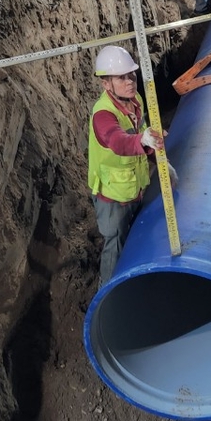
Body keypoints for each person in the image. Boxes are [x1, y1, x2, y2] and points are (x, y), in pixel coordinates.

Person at [87, 45, 163, 283]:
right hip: (113, 196)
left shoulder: (135, 100)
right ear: (106, 84)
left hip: (134, 188)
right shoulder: (103, 114)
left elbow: (142, 138)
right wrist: (143, 139)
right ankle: (106, 293)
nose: (130, 81)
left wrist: (160, 161)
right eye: (122, 77)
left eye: (132, 75)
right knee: (115, 244)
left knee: (134, 235)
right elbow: (118, 141)